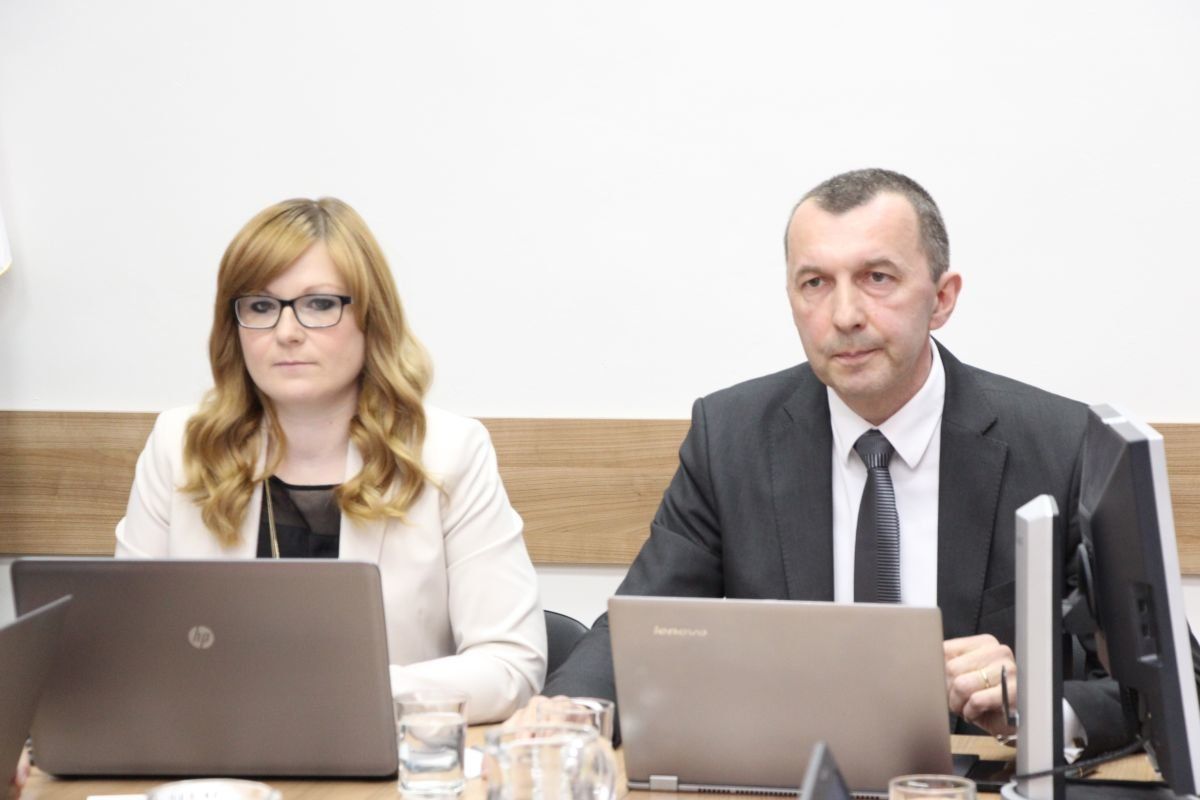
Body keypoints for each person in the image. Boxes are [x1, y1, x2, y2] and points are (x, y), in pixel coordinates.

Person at [537, 168, 1125, 754]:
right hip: (789, 777)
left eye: (877, 278)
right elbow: (639, 629)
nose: (845, 315)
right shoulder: (732, 438)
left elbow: (1153, 687)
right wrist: (569, 716)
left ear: (942, 299)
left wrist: (1038, 707)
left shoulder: (1060, 443)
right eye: (815, 283)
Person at [116, 197, 546, 723]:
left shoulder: (448, 452)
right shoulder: (179, 446)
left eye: (319, 304)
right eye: (260, 307)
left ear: (371, 317)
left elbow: (511, 667)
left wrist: (349, 689)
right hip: (217, 752)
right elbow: (125, 645)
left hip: (384, 752)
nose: (287, 331)